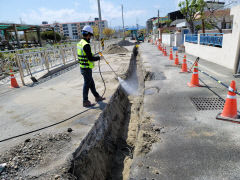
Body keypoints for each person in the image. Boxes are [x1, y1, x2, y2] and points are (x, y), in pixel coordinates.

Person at [77, 25, 105, 107]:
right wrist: (99, 58)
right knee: (87, 84)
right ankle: (85, 101)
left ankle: (97, 97)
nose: (91, 37)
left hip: (83, 67)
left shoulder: (80, 43)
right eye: (91, 35)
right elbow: (90, 58)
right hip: (86, 68)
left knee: (91, 83)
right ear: (88, 34)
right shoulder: (86, 45)